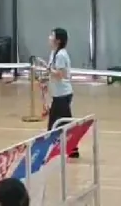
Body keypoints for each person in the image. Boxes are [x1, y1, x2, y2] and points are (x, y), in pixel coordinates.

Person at [47, 28, 79, 158]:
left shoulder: (60, 55)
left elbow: (61, 74)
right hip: (58, 94)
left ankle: (49, 149)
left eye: (52, 36)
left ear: (58, 40)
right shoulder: (54, 53)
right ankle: (73, 149)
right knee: (65, 123)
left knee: (54, 124)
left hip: (63, 95)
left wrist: (48, 70)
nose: (49, 38)